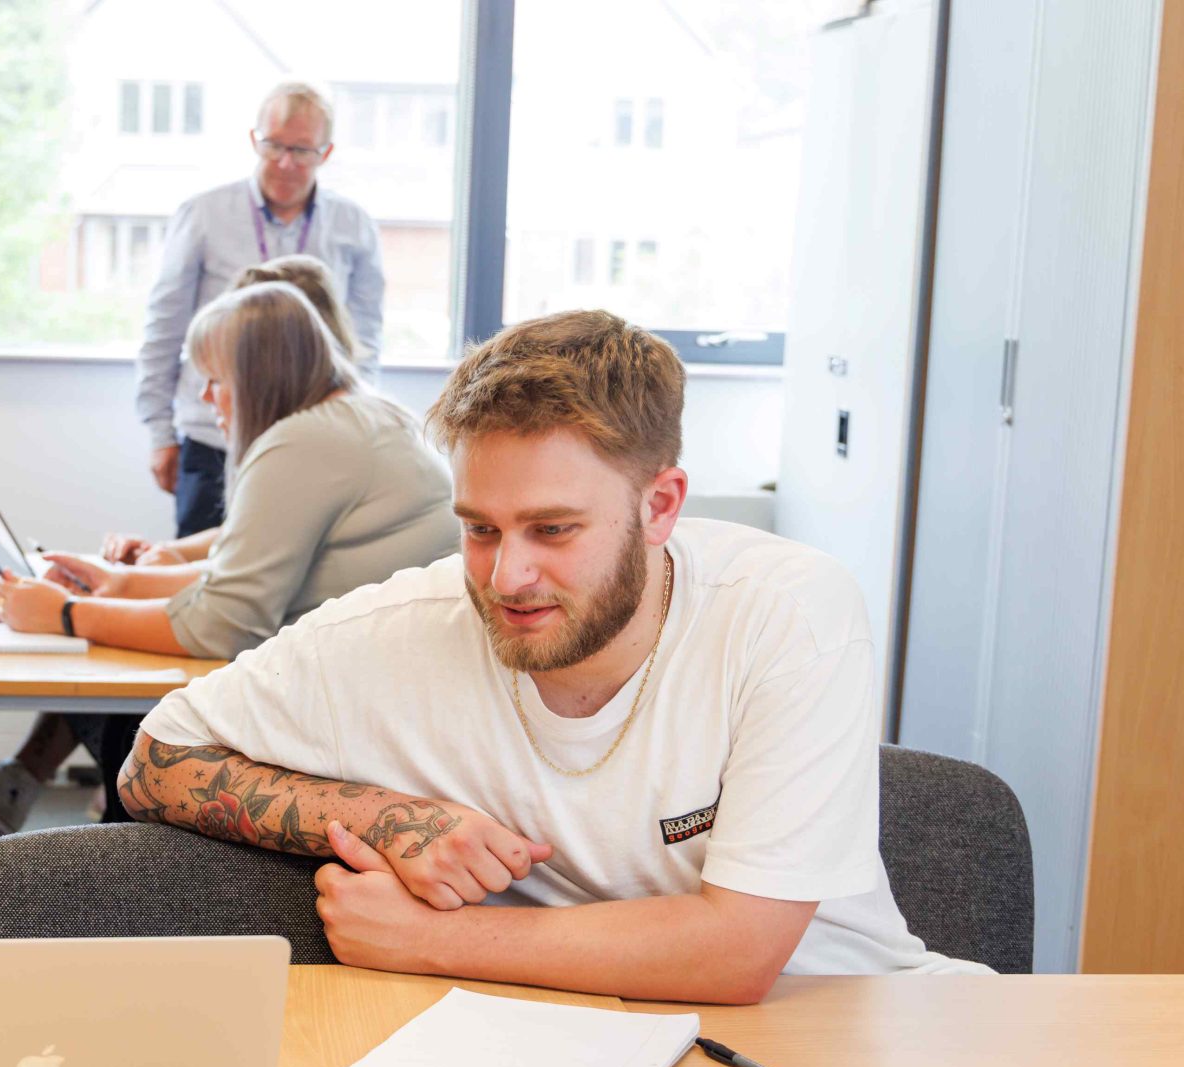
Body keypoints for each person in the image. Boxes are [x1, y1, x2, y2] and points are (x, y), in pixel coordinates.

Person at [119, 310, 989, 1003]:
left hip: (856, 1022)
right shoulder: (400, 630)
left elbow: (737, 953)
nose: (508, 575)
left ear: (660, 506)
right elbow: (154, 762)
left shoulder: (786, 610)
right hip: (574, 1042)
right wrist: (389, 817)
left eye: (554, 529)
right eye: (480, 529)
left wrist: (436, 942)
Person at [0, 281, 453, 836]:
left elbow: (222, 623)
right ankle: (79, 832)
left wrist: (64, 615)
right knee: (107, 676)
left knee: (122, 709)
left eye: (215, 381)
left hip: (362, 697)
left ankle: (110, 863)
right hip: (389, 677)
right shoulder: (362, 417)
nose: (206, 399)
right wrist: (121, 585)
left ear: (255, 377)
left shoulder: (305, 442)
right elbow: (251, 568)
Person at [138, 81, 384, 538]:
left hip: (316, 442)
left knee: (305, 587)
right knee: (201, 582)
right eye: (274, 146)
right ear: (255, 140)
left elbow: (364, 341)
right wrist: (160, 434)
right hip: (214, 437)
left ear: (325, 153)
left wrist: (361, 429)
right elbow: (163, 330)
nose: (286, 163)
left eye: (302, 150)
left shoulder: (353, 225)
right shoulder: (203, 215)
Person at [106, 254, 361, 569]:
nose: (207, 395)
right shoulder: (330, 419)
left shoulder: (307, 442)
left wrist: (141, 577)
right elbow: (254, 535)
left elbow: (243, 588)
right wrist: (166, 552)